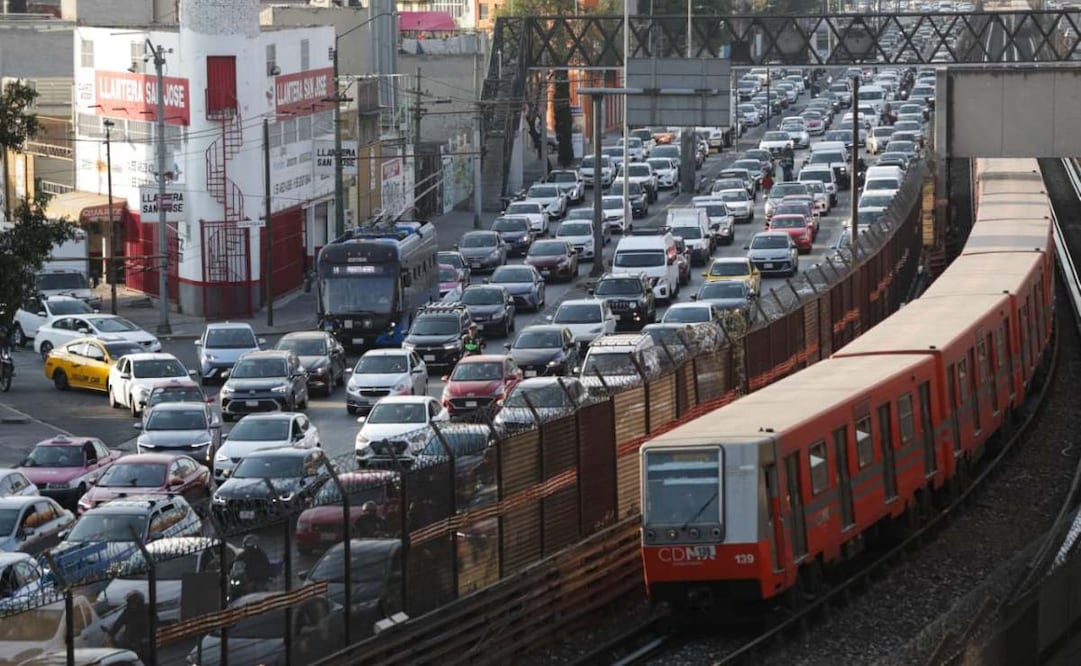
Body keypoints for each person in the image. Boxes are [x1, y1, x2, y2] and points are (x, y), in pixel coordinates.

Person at [107, 590, 154, 661]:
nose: (132, 606)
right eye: (130, 603)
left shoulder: (147, 610)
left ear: (139, 603)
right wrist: (111, 633)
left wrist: (147, 637)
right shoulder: (127, 612)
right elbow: (119, 623)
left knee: (147, 657)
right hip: (131, 639)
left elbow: (155, 622)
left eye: (133, 603)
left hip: (144, 639)